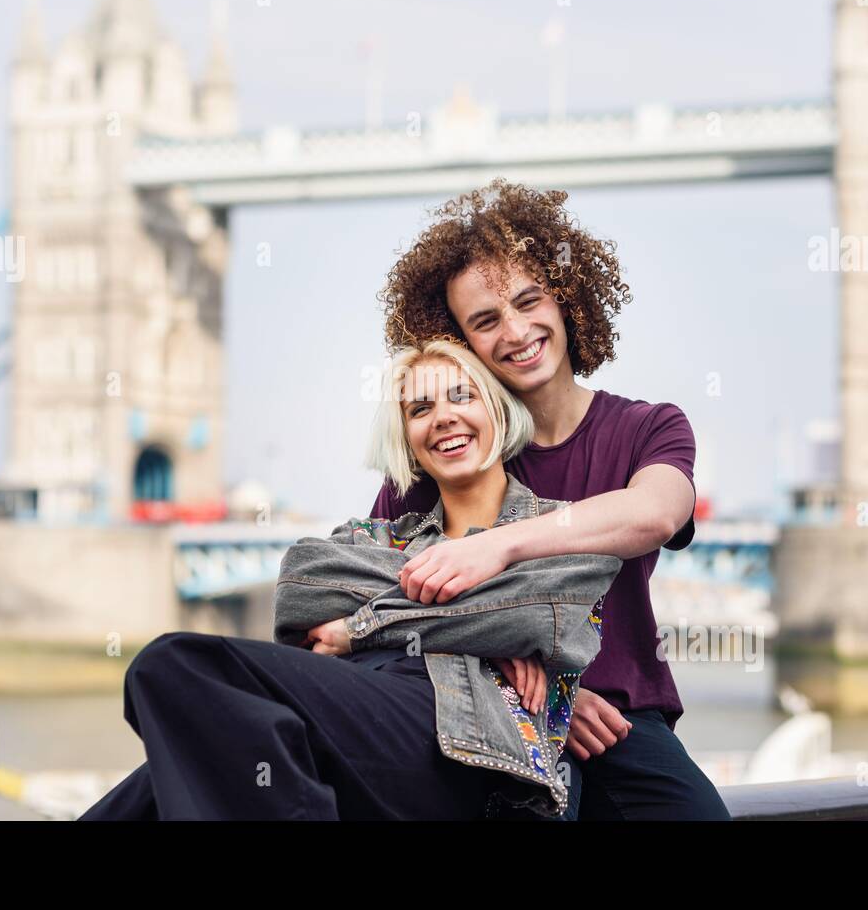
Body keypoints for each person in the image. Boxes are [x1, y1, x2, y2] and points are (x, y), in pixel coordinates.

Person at [79, 339, 620, 820]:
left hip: (469, 746)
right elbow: (300, 586)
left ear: (499, 413)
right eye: (421, 408)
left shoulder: (555, 527)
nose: (444, 417)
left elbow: (544, 616)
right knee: (173, 765)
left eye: (463, 396)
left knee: (172, 664)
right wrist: (479, 626)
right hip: (356, 718)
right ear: (408, 440)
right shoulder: (375, 534)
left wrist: (355, 629)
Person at [370, 179, 731, 820]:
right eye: (484, 320)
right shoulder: (445, 448)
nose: (515, 331)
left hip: (619, 723)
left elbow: (655, 513)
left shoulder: (649, 427)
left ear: (566, 301)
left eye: (528, 301)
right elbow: (378, 604)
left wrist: (498, 546)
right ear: (460, 341)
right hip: (482, 712)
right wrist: (554, 690)